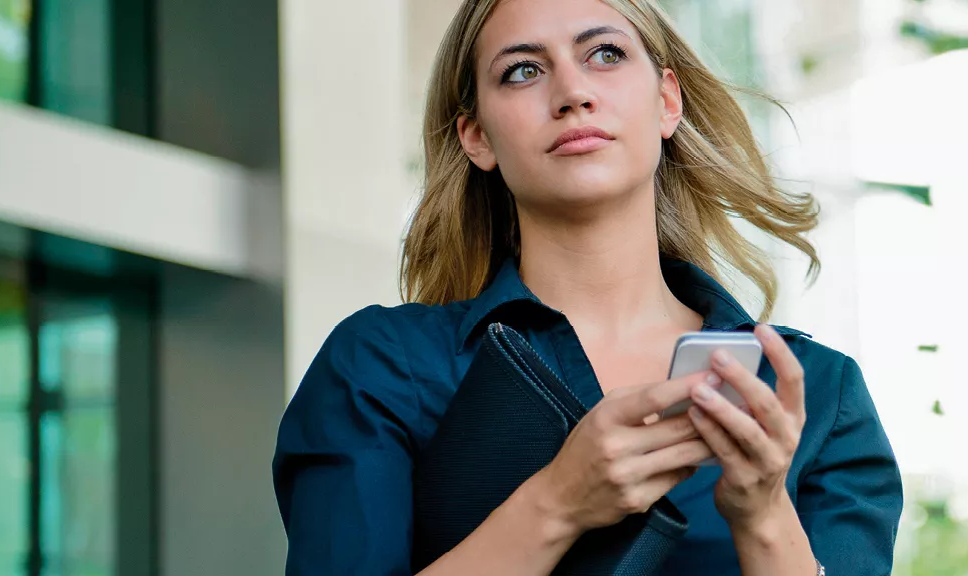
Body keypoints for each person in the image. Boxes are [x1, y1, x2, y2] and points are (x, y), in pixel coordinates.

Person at [270, 0, 903, 574]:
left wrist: (763, 516)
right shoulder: (381, 367)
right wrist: (556, 504)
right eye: (522, 71)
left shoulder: (818, 393)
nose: (573, 93)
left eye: (605, 54)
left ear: (667, 101)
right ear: (477, 137)